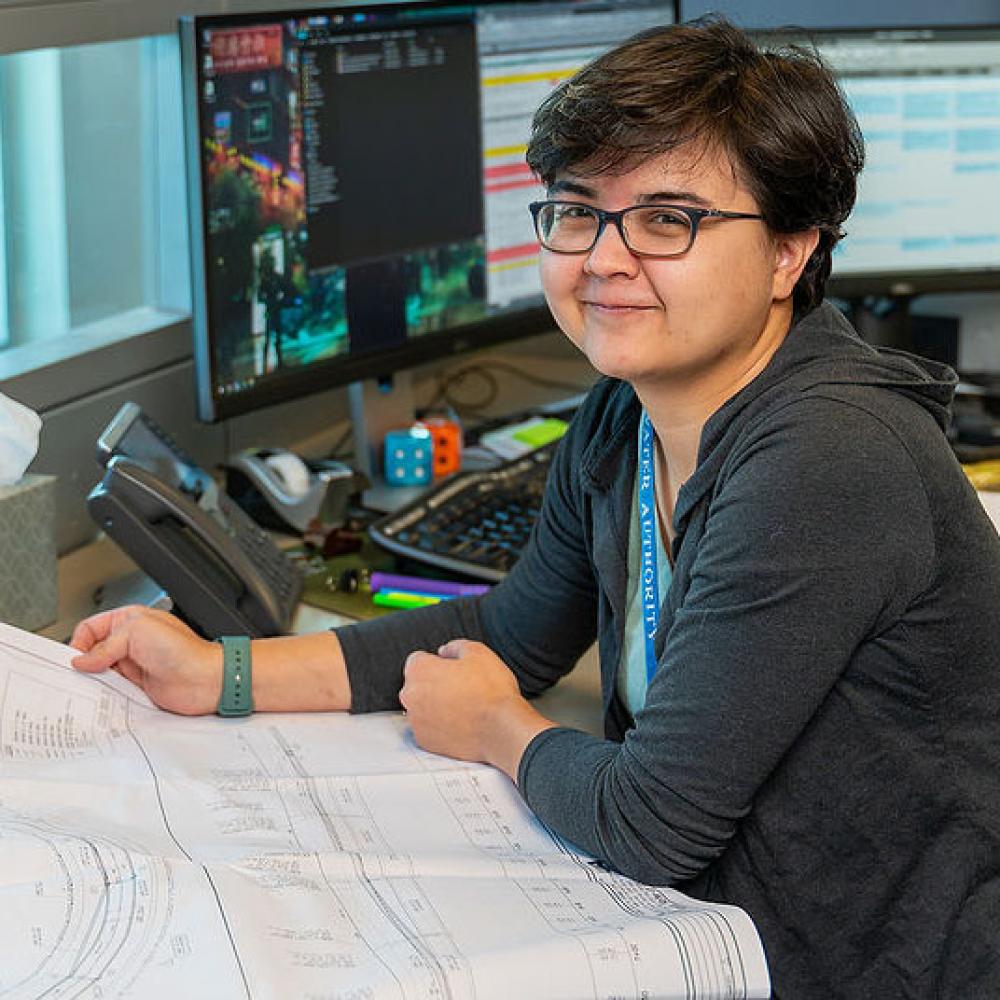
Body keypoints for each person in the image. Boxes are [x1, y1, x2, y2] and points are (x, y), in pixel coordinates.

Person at [70, 18, 1000, 997]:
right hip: (719, 925)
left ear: (788, 252)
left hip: (887, 961)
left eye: (666, 218)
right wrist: (221, 673)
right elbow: (506, 631)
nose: (603, 258)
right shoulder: (620, 419)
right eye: (577, 211)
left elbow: (651, 818)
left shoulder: (826, 458)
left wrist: (499, 730)